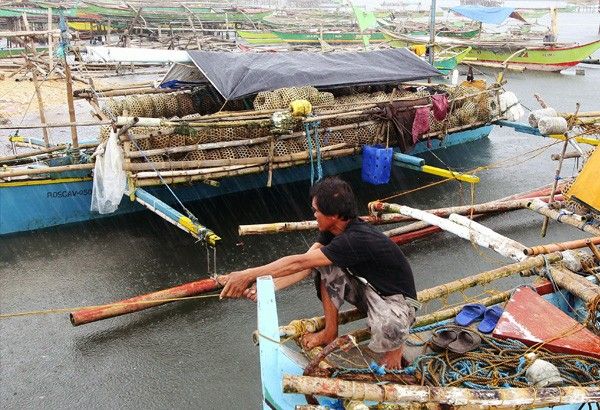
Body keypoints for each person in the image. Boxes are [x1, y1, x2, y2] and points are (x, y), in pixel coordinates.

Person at [219, 176, 418, 369]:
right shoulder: (334, 231)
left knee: (390, 328)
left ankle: (395, 351)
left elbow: (299, 261)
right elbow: (306, 264)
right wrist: (267, 286)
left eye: (316, 211)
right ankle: (330, 332)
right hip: (374, 294)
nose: (314, 215)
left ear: (333, 215)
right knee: (324, 264)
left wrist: (246, 274)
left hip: (399, 305)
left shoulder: (355, 239)